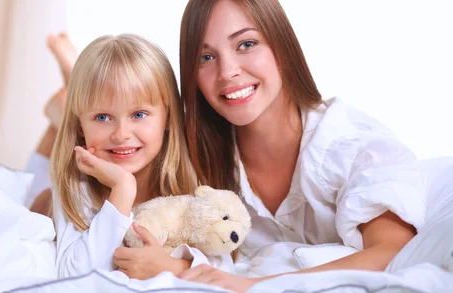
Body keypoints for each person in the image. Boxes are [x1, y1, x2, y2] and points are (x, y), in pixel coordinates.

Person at [176, 0, 425, 292]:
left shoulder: (350, 144)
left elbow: (393, 252)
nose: (227, 71)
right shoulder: (195, 160)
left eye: (246, 44)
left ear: (282, 47)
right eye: (206, 57)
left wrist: (255, 286)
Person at [26, 33, 236, 280]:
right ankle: (63, 109)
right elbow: (76, 277)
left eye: (139, 114)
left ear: (168, 117)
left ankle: (69, 94)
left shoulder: (187, 189)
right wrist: (122, 190)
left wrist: (173, 267)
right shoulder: (75, 193)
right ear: (80, 125)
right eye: (102, 117)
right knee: (34, 197)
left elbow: (226, 268)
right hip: (46, 197)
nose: (121, 134)